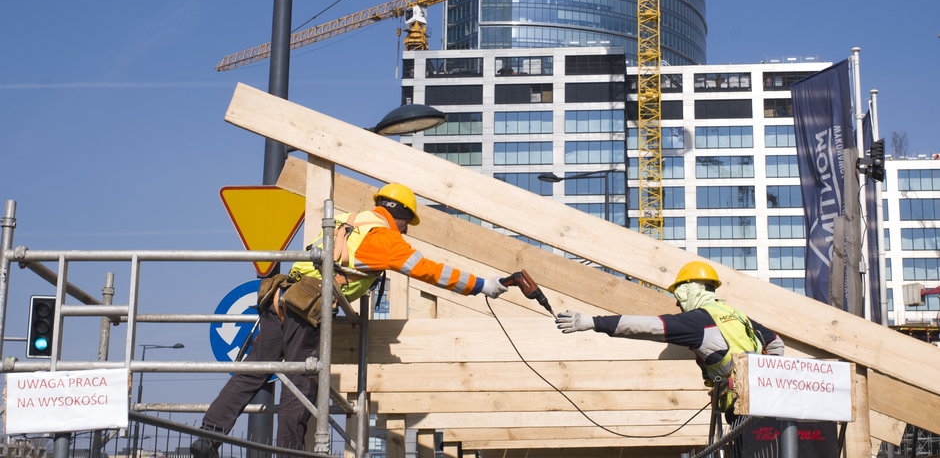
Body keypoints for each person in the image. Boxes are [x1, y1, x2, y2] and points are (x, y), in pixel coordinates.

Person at [191, 183, 509, 457]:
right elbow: (429, 270)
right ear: (401, 216)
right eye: (408, 223)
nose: (407, 230)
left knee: (251, 372)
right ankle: (288, 452)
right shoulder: (384, 238)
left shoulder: (350, 221)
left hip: (281, 299)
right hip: (308, 308)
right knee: (301, 383)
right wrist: (481, 285)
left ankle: (208, 436)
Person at [554, 260, 784, 414]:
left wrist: (594, 322)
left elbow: (649, 326)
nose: (677, 303)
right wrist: (767, 379)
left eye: (678, 296)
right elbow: (775, 343)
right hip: (767, 404)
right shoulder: (736, 314)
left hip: (740, 410)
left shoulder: (697, 322)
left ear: (688, 290)